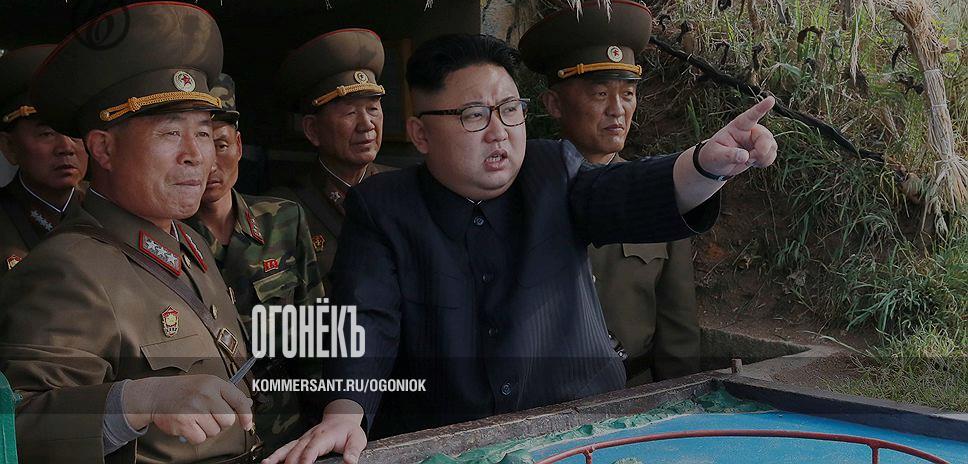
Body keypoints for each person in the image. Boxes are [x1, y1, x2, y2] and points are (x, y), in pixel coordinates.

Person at [266, 31, 778, 463]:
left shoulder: (554, 169)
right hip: (451, 444)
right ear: (421, 135)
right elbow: (366, 316)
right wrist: (346, 412)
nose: (500, 133)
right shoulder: (383, 206)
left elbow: (627, 192)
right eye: (474, 115)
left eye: (510, 110)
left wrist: (706, 165)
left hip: (579, 434)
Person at [0, 2, 260, 463]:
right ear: (103, 148)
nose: (195, 154)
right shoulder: (69, 268)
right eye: (169, 133)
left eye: (203, 133)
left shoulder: (190, 243)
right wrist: (136, 401)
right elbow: (16, 428)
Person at [520, 0, 700, 384]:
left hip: (632, 395)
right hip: (540, 397)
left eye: (628, 94)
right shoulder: (520, 193)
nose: (617, 110)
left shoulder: (659, 194)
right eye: (600, 94)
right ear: (554, 104)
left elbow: (678, 328)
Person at [186, 72, 324, 452]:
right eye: (200, 145)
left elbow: (315, 334)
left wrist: (324, 421)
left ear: (239, 146)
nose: (211, 164)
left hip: (286, 429)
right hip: (207, 441)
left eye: (221, 144)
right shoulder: (166, 238)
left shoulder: (283, 219)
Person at [271, 29, 394, 288]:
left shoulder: (408, 189)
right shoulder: (283, 210)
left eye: (373, 109)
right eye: (350, 113)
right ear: (312, 130)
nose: (367, 125)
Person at [0, 44, 88, 272]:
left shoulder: (109, 211)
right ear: (9, 147)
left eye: (74, 132)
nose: (66, 147)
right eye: (47, 133)